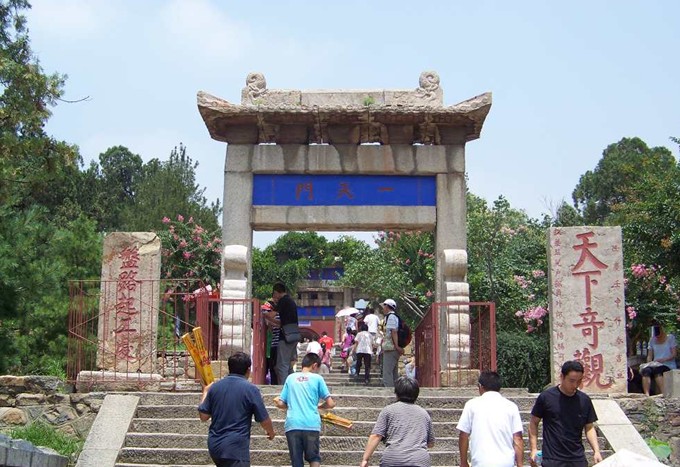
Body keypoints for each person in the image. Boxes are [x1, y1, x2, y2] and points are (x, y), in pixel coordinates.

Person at [198, 352, 275, 466]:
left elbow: (203, 416)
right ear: (248, 370)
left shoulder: (215, 387)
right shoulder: (250, 389)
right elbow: (264, 419)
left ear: (229, 368)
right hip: (235, 447)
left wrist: (205, 392)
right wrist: (271, 432)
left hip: (215, 446)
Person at [529, 360, 602, 467]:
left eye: (579, 381)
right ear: (562, 377)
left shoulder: (584, 400)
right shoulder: (546, 397)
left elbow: (589, 427)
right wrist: (534, 449)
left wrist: (596, 451)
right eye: (571, 381)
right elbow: (533, 422)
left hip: (577, 459)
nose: (575, 385)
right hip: (553, 458)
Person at [274, 353, 336, 467]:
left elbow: (281, 403)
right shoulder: (317, 378)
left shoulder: (290, 378)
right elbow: (331, 403)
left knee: (296, 461)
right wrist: (320, 407)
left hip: (293, 424)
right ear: (314, 365)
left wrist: (287, 404)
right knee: (314, 458)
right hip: (311, 424)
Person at [360, 376, 435, 467]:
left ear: (397, 393)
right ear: (416, 394)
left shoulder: (388, 411)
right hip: (419, 460)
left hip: (393, 459)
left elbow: (376, 435)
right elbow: (431, 443)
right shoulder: (424, 414)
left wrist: (365, 459)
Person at [456, 371, 523, 467]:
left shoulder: (471, 405)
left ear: (480, 386)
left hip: (481, 462)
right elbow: (518, 438)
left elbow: (463, 435)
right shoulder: (511, 407)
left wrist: (463, 462)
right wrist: (520, 464)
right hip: (506, 462)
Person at [273, 282, 300, 384]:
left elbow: (272, 315)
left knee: (282, 365)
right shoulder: (291, 302)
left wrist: (264, 315)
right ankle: (293, 385)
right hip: (294, 335)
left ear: (277, 292)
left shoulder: (283, 301)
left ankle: (284, 388)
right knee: (289, 366)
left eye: (274, 294)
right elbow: (285, 321)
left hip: (285, 337)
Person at [641, 323, 677, 396]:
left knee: (658, 370)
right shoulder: (652, 340)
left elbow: (674, 354)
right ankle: (646, 394)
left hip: (667, 364)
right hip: (656, 364)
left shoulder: (670, 338)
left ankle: (663, 393)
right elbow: (650, 355)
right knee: (646, 371)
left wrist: (664, 359)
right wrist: (649, 363)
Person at [381, 299, 404, 387]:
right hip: (393, 348)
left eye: (384, 306)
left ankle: (389, 392)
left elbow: (393, 331)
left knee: (387, 374)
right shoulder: (394, 317)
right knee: (393, 373)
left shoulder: (390, 317)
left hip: (391, 348)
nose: (383, 308)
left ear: (387, 306)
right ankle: (396, 391)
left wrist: (396, 346)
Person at [261, 300, 280, 385]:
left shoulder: (276, 318)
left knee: (274, 368)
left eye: (267, 311)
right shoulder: (263, 324)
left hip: (274, 347)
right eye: (263, 311)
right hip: (266, 351)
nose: (265, 313)